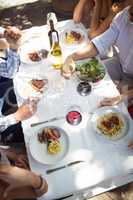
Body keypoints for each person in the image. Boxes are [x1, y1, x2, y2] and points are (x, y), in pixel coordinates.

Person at [63, 4, 133, 90]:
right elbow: (100, 43)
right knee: (80, 75)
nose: (130, 12)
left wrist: (125, 96)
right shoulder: (125, 14)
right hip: (119, 64)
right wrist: (72, 57)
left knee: (117, 100)